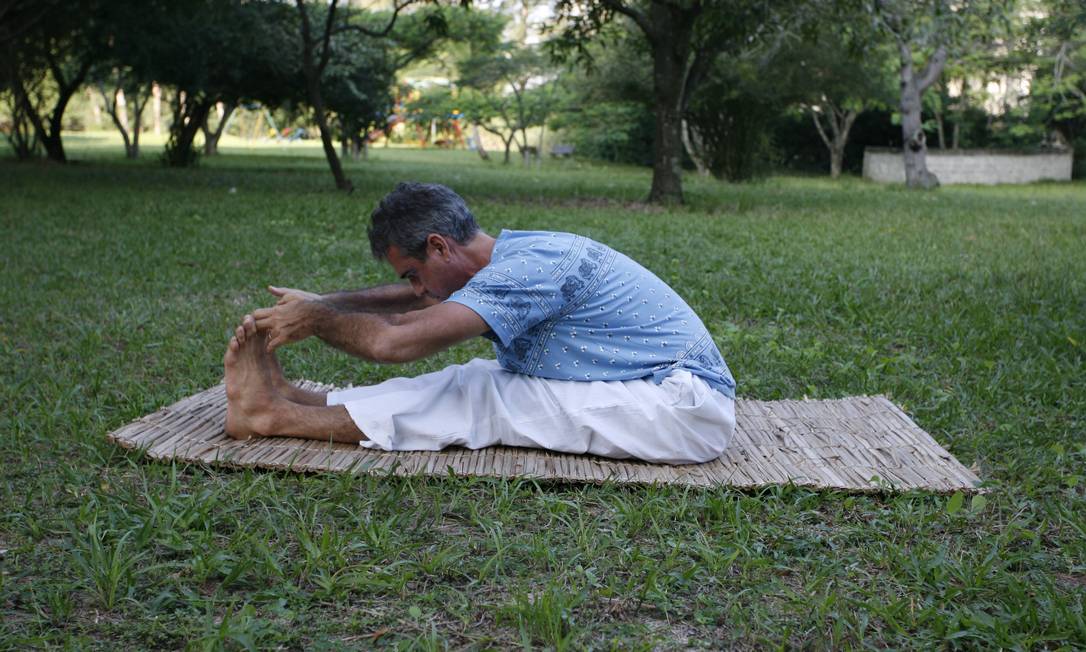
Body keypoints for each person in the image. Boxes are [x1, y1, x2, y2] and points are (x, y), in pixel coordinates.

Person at [224, 182, 736, 464]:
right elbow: (413, 300)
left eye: (415, 271)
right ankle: (302, 400)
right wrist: (326, 300)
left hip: (683, 408)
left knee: (487, 398)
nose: (417, 287)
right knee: (471, 378)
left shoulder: (527, 271)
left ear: (440, 246)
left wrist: (318, 318)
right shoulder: (507, 258)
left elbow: (396, 340)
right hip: (654, 392)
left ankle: (272, 417)